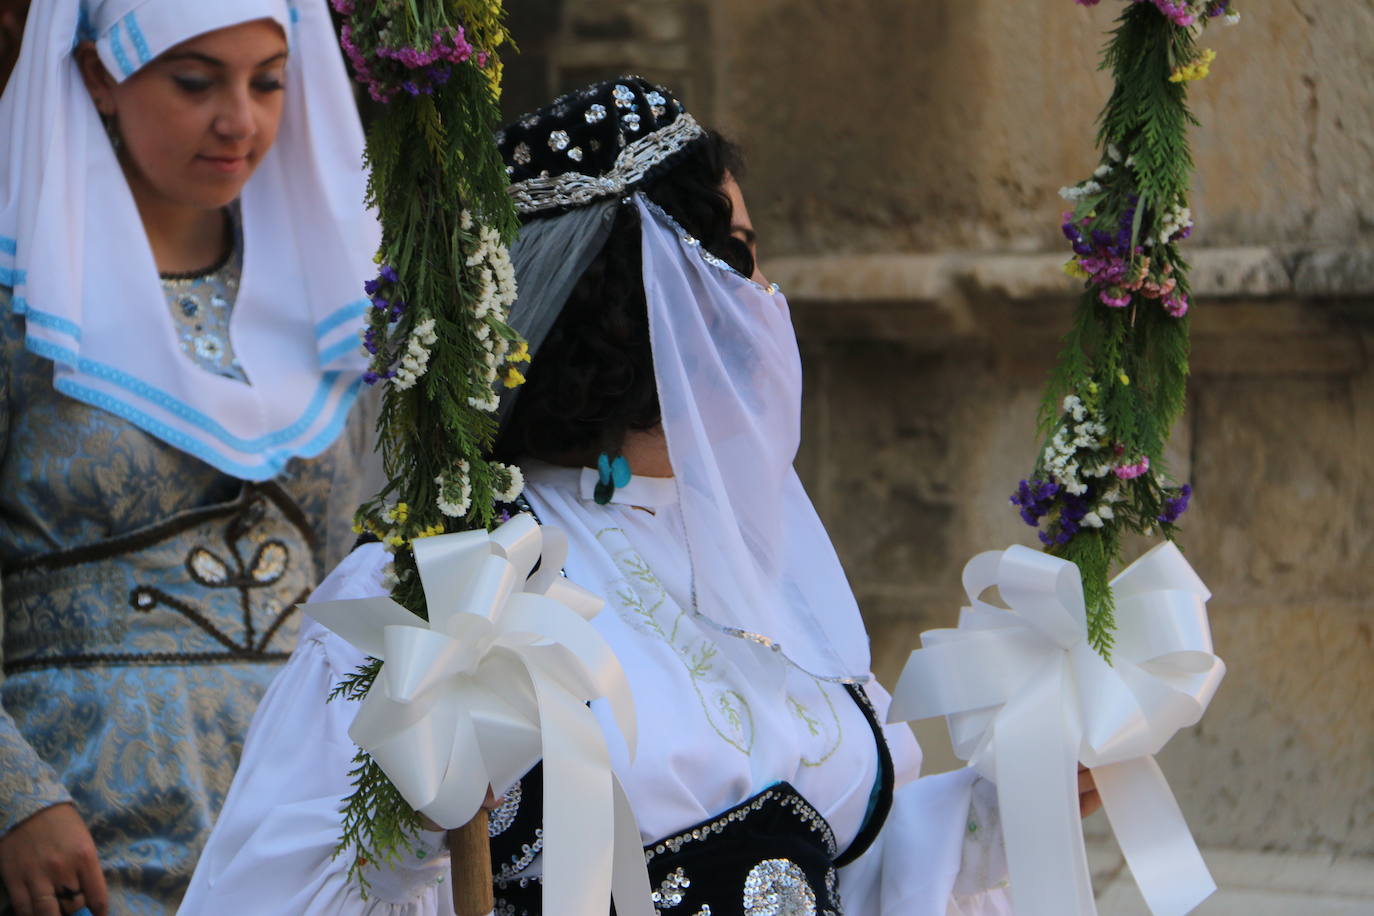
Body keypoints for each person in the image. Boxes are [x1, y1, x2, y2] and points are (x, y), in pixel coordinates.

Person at [179, 77, 1096, 915]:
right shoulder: (454, 582)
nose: (768, 297)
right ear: (641, 292)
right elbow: (291, 884)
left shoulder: (753, 562)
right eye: (739, 256)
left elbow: (856, 861)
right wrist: (426, 809)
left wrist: (1012, 807)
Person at [0, 1, 381, 913]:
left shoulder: (330, 301)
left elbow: (349, 589)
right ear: (99, 77)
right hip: (82, 837)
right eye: (195, 80)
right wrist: (15, 797)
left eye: (267, 82)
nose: (238, 121)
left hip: (303, 827)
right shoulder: (24, 300)